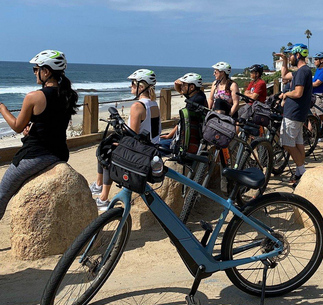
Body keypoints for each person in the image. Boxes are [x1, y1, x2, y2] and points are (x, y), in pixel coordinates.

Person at [0, 50, 78, 220]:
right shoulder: (68, 95)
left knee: (2, 194)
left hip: (36, 155)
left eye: (36, 69)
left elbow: (16, 127)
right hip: (59, 152)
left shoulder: (34, 97)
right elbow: (52, 123)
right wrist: (32, 129)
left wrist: (2, 108)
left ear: (47, 71)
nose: (35, 72)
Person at [91, 69, 160, 211]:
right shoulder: (154, 104)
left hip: (141, 151)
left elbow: (131, 137)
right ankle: (98, 186)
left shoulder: (137, 106)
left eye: (133, 84)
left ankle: (103, 197)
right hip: (152, 147)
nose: (131, 86)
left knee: (107, 149)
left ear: (141, 87)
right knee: (110, 143)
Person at [275, 43, 312, 187]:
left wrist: (285, 94)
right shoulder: (300, 71)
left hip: (294, 113)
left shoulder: (302, 72)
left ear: (297, 55)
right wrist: (284, 60)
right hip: (297, 113)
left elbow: (298, 93)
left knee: (287, 143)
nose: (290, 58)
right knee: (298, 143)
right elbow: (284, 76)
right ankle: (299, 172)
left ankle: (302, 173)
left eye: (291, 55)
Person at [159, 72, 207, 150]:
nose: (182, 87)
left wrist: (169, 136)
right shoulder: (199, 95)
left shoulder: (193, 103)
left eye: (184, 85)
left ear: (191, 87)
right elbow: (181, 91)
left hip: (185, 140)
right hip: (192, 135)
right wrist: (177, 84)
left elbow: (182, 122)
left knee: (157, 144)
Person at [311, 52, 323, 118]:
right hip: (313, 95)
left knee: (320, 116)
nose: (314, 61)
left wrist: (306, 84)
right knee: (312, 116)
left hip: (320, 96)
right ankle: (312, 129)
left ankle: (322, 128)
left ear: (322, 60)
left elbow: (317, 83)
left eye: (316, 59)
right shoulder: (318, 69)